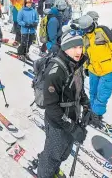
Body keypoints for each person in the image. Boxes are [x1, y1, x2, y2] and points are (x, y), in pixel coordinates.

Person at [37, 29, 94, 178]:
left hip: (71, 117)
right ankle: (45, 174)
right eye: (73, 47)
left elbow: (79, 89)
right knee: (53, 155)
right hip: (57, 123)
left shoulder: (76, 64)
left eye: (80, 47)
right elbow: (51, 108)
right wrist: (72, 127)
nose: (78, 51)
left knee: (63, 151)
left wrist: (86, 104)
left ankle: (53, 171)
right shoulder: (56, 72)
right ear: (65, 47)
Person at [79, 14, 112, 118]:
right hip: (93, 69)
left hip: (107, 69)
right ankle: (92, 109)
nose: (88, 31)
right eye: (85, 30)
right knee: (93, 91)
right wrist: (86, 67)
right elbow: (85, 54)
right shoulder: (85, 37)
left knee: (102, 94)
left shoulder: (103, 30)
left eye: (89, 28)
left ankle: (97, 114)